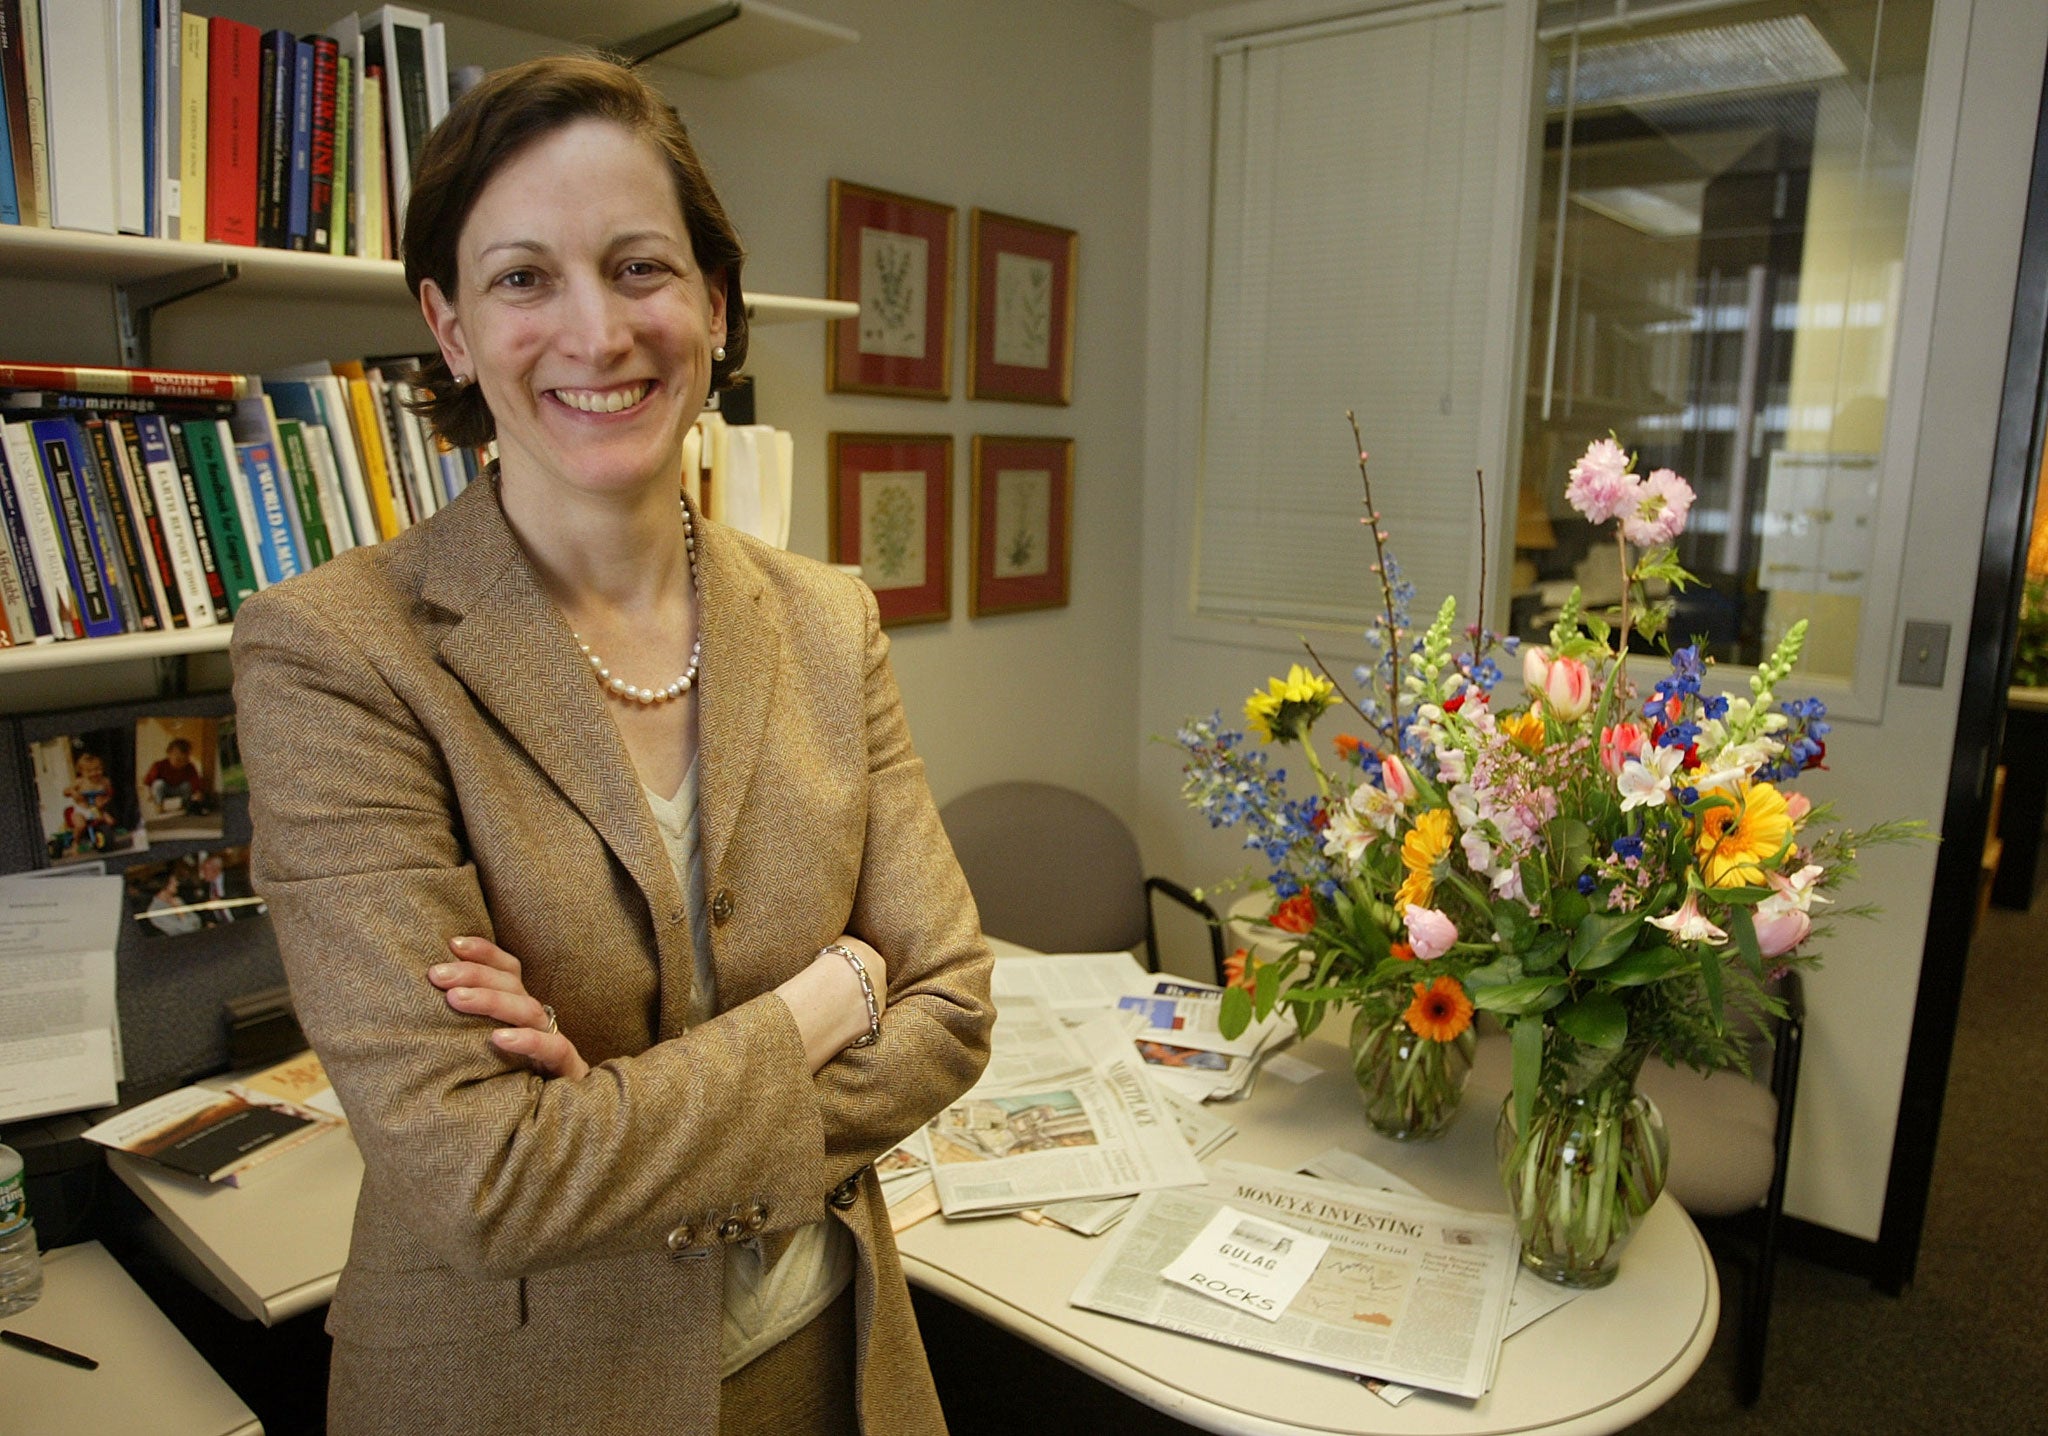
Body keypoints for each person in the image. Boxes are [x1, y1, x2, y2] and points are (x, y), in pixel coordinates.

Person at [230, 54, 993, 1436]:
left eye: (640, 267)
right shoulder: (335, 652)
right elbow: (485, 1177)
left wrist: (608, 1125)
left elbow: (949, 1007)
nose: (597, 332)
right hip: (523, 1396)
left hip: (834, 1362)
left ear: (715, 301)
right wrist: (826, 1000)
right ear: (451, 328)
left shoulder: (828, 620)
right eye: (524, 278)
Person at [143, 735, 210, 814]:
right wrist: (148, 793)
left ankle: (185, 804)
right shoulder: (159, 765)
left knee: (187, 786)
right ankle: (159, 805)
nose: (181, 763)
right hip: (165, 789)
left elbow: (195, 781)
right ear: (169, 754)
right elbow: (148, 781)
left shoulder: (190, 767)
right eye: (178, 760)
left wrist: (198, 793)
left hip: (179, 789)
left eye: (185, 760)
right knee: (158, 784)